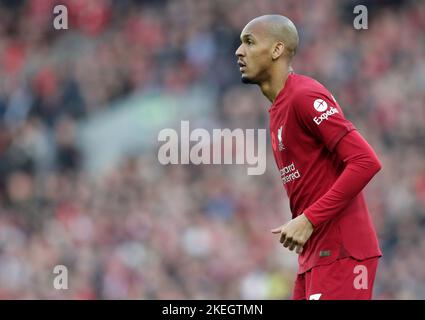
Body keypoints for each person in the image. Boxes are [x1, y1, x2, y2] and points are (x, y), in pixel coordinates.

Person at [235, 15, 382, 300]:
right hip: (314, 256)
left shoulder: (304, 95)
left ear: (277, 50)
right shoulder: (278, 108)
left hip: (342, 251)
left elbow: (365, 161)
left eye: (249, 42)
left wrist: (308, 220)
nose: (239, 51)